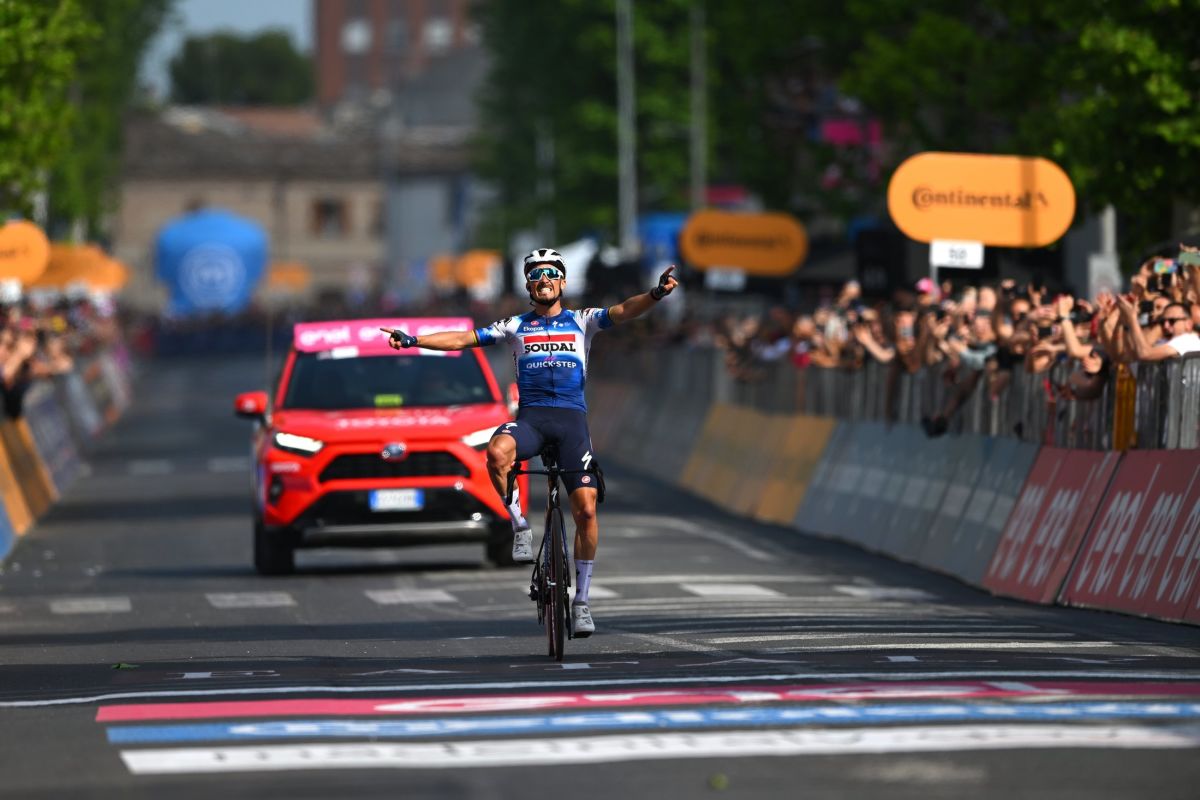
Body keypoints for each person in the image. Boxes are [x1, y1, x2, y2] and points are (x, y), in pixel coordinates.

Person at [382, 248, 678, 637]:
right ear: (528, 285)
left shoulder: (583, 320)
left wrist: (656, 294)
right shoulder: (515, 325)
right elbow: (462, 339)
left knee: (587, 512)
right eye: (536, 276)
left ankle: (582, 602)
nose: (543, 280)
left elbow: (624, 311)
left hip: (572, 424)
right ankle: (520, 525)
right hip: (532, 421)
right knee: (496, 452)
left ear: (563, 282)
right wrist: (413, 340)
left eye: (551, 274)